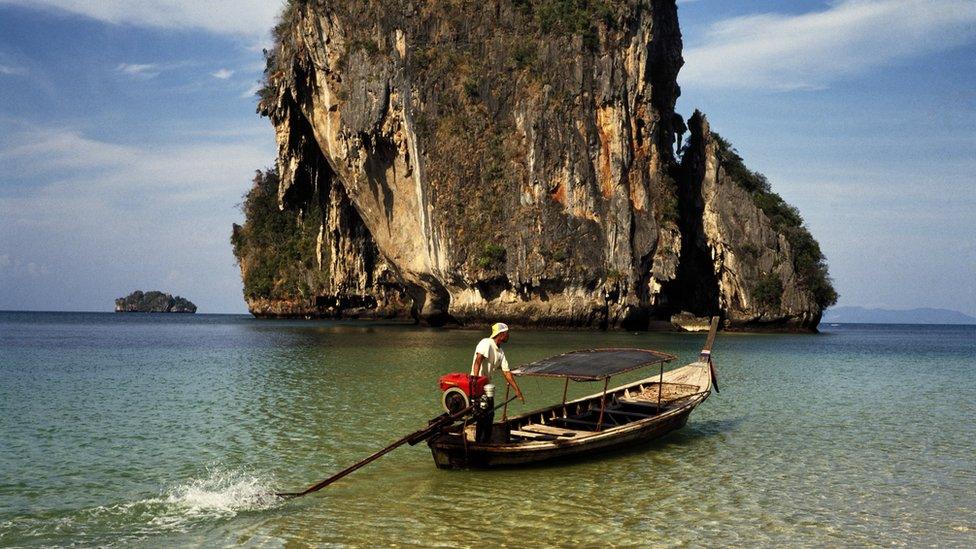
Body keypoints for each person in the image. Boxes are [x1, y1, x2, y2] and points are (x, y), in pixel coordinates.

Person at [470, 322, 524, 443]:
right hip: (477, 386)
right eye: (507, 333)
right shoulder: (486, 343)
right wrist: (475, 381)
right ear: (501, 334)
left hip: (487, 389)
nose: (509, 335)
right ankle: (480, 442)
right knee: (482, 416)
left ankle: (485, 442)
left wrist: (517, 390)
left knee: (489, 416)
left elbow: (506, 372)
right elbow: (478, 361)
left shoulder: (500, 352)